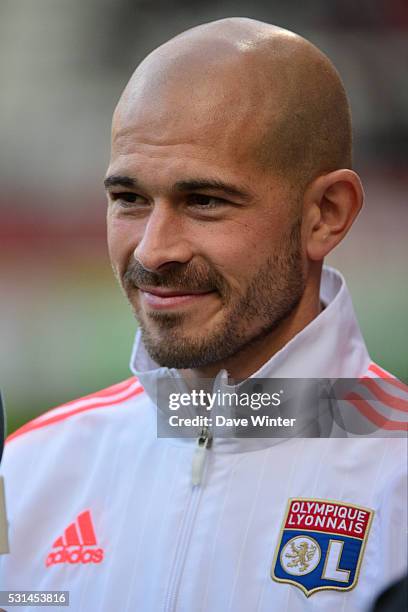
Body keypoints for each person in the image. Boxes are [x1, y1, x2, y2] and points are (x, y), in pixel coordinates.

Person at [1, 17, 406, 612]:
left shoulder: (397, 471)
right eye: (130, 199)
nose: (153, 250)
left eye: (205, 201)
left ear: (326, 213)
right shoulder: (31, 466)